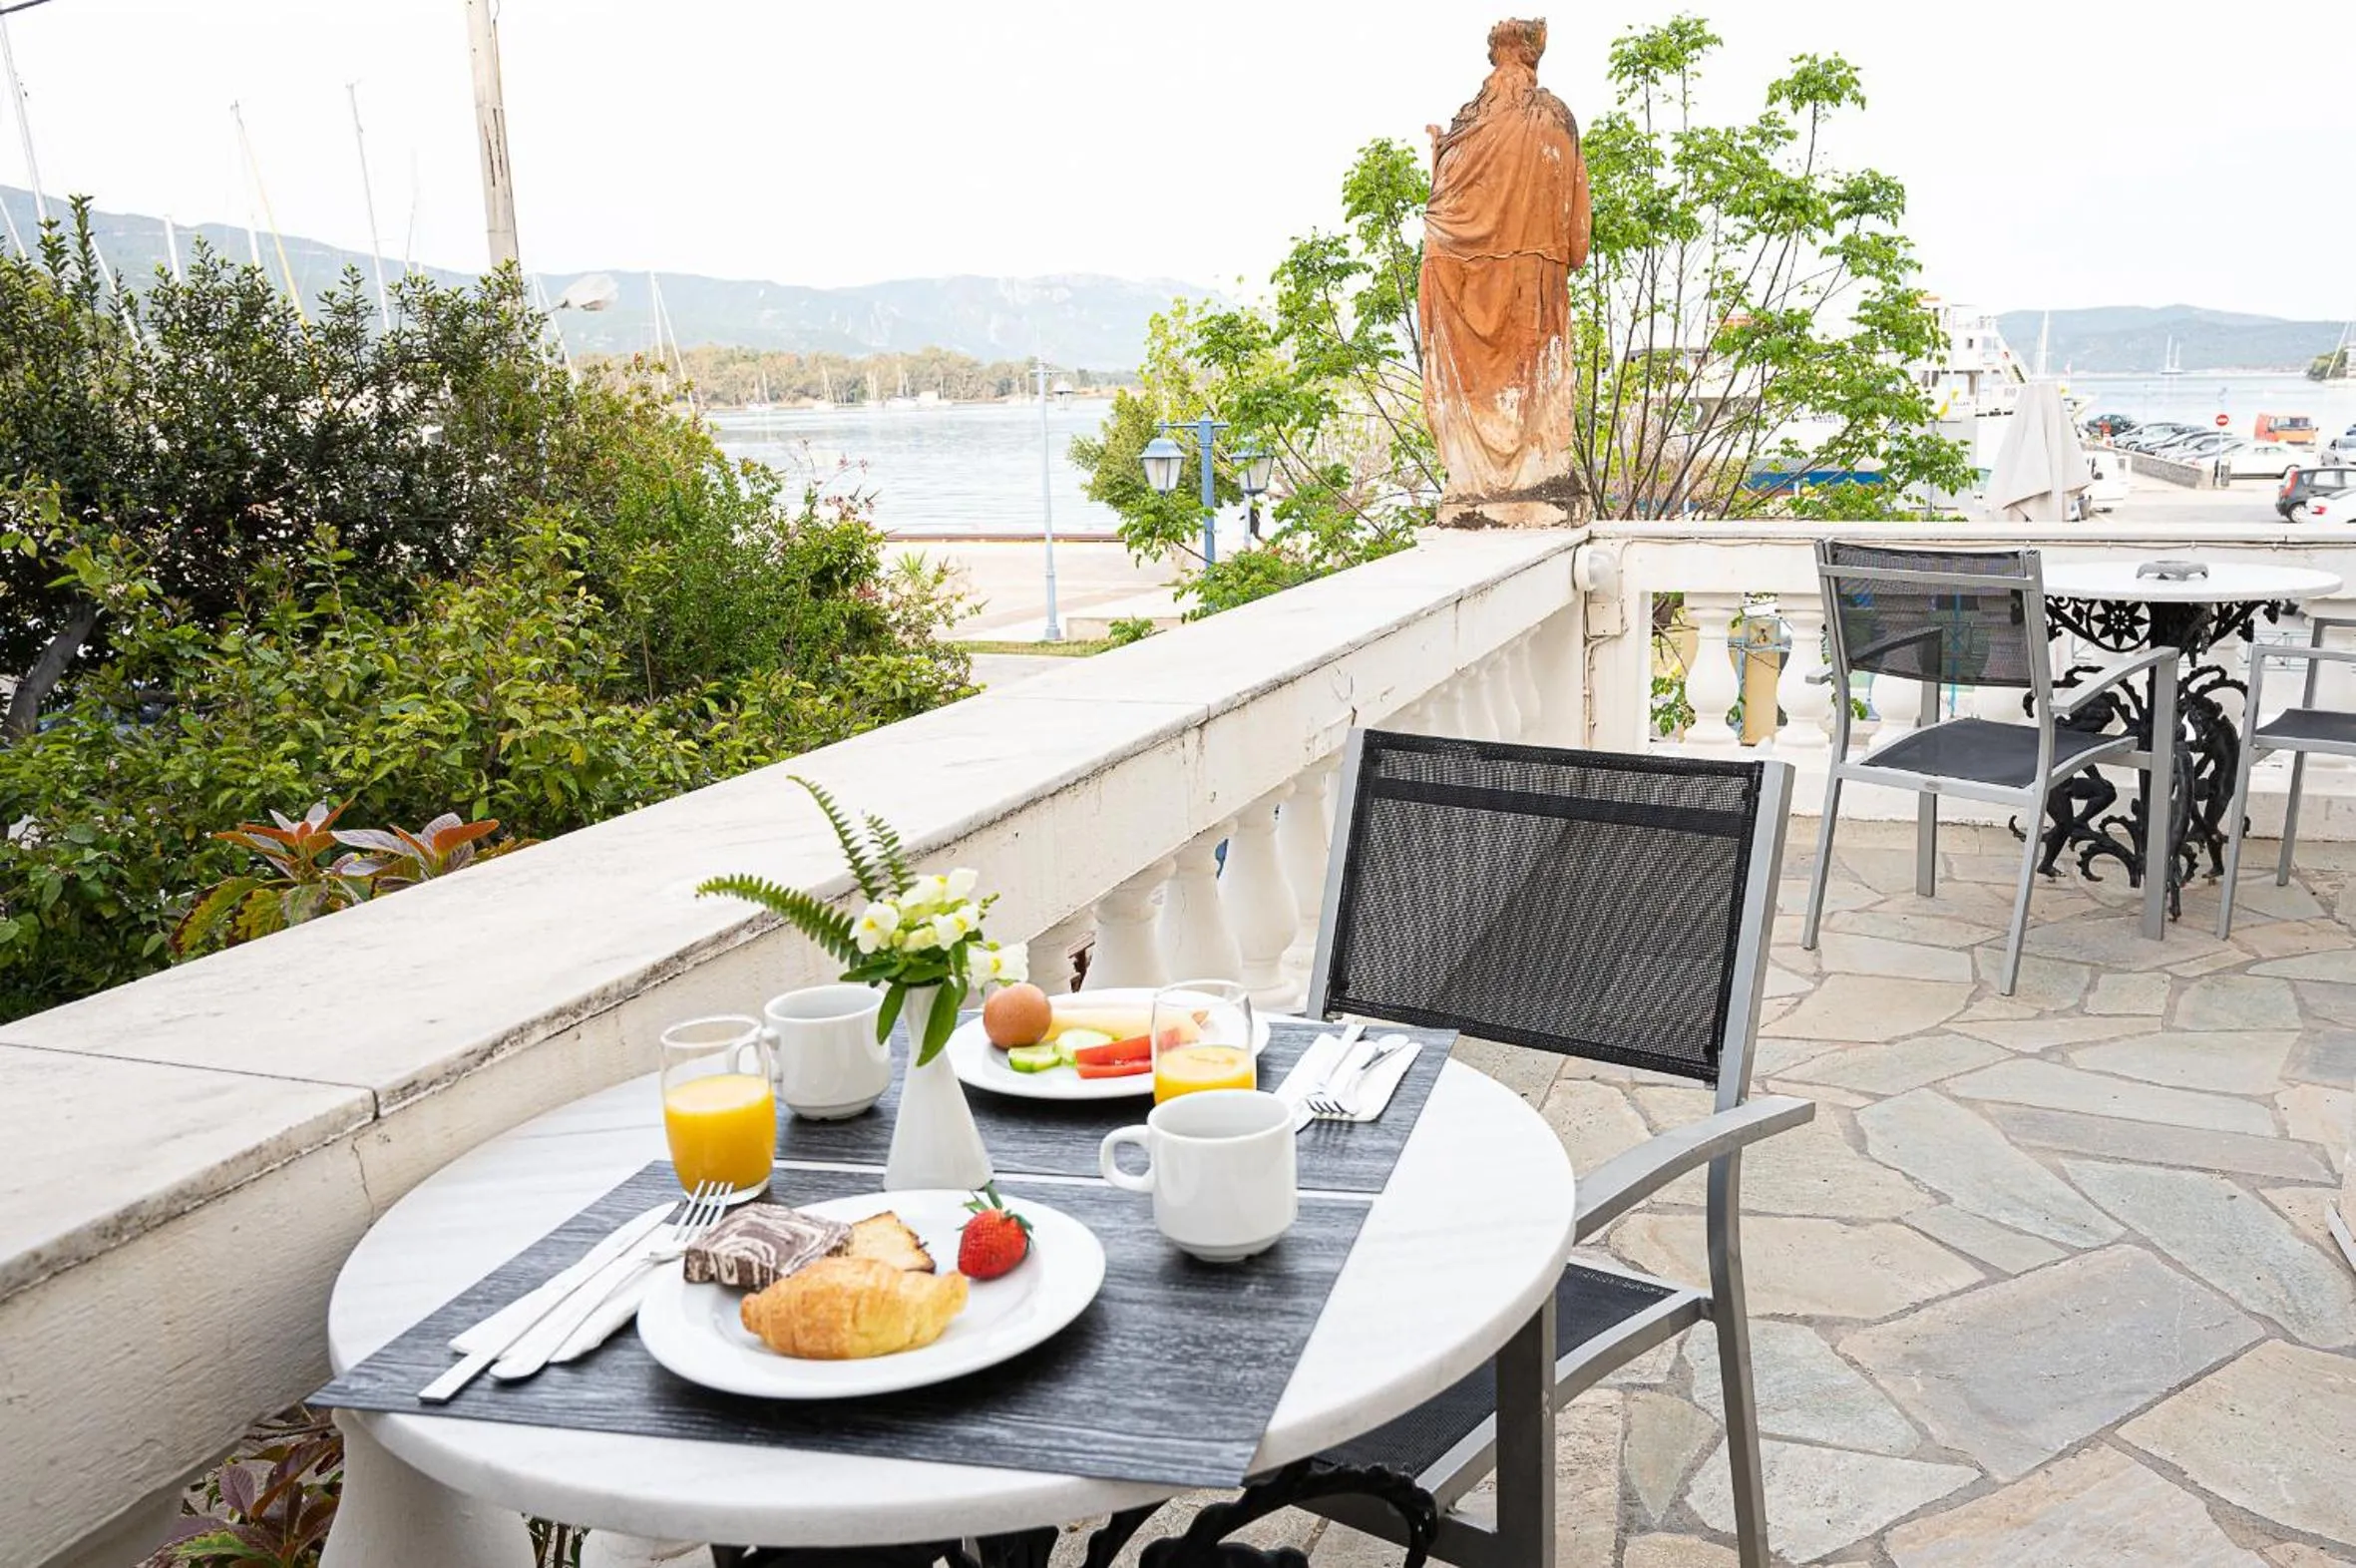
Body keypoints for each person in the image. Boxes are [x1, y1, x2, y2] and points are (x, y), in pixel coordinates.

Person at [1420, 17, 1592, 512]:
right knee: (1532, 388)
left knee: (1479, 392)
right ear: (1534, 55)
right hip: (1528, 283)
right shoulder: (1554, 118)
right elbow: (1575, 243)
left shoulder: (1465, 127)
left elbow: (1444, 213)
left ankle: (1479, 484)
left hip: (1457, 282)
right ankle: (1528, 478)